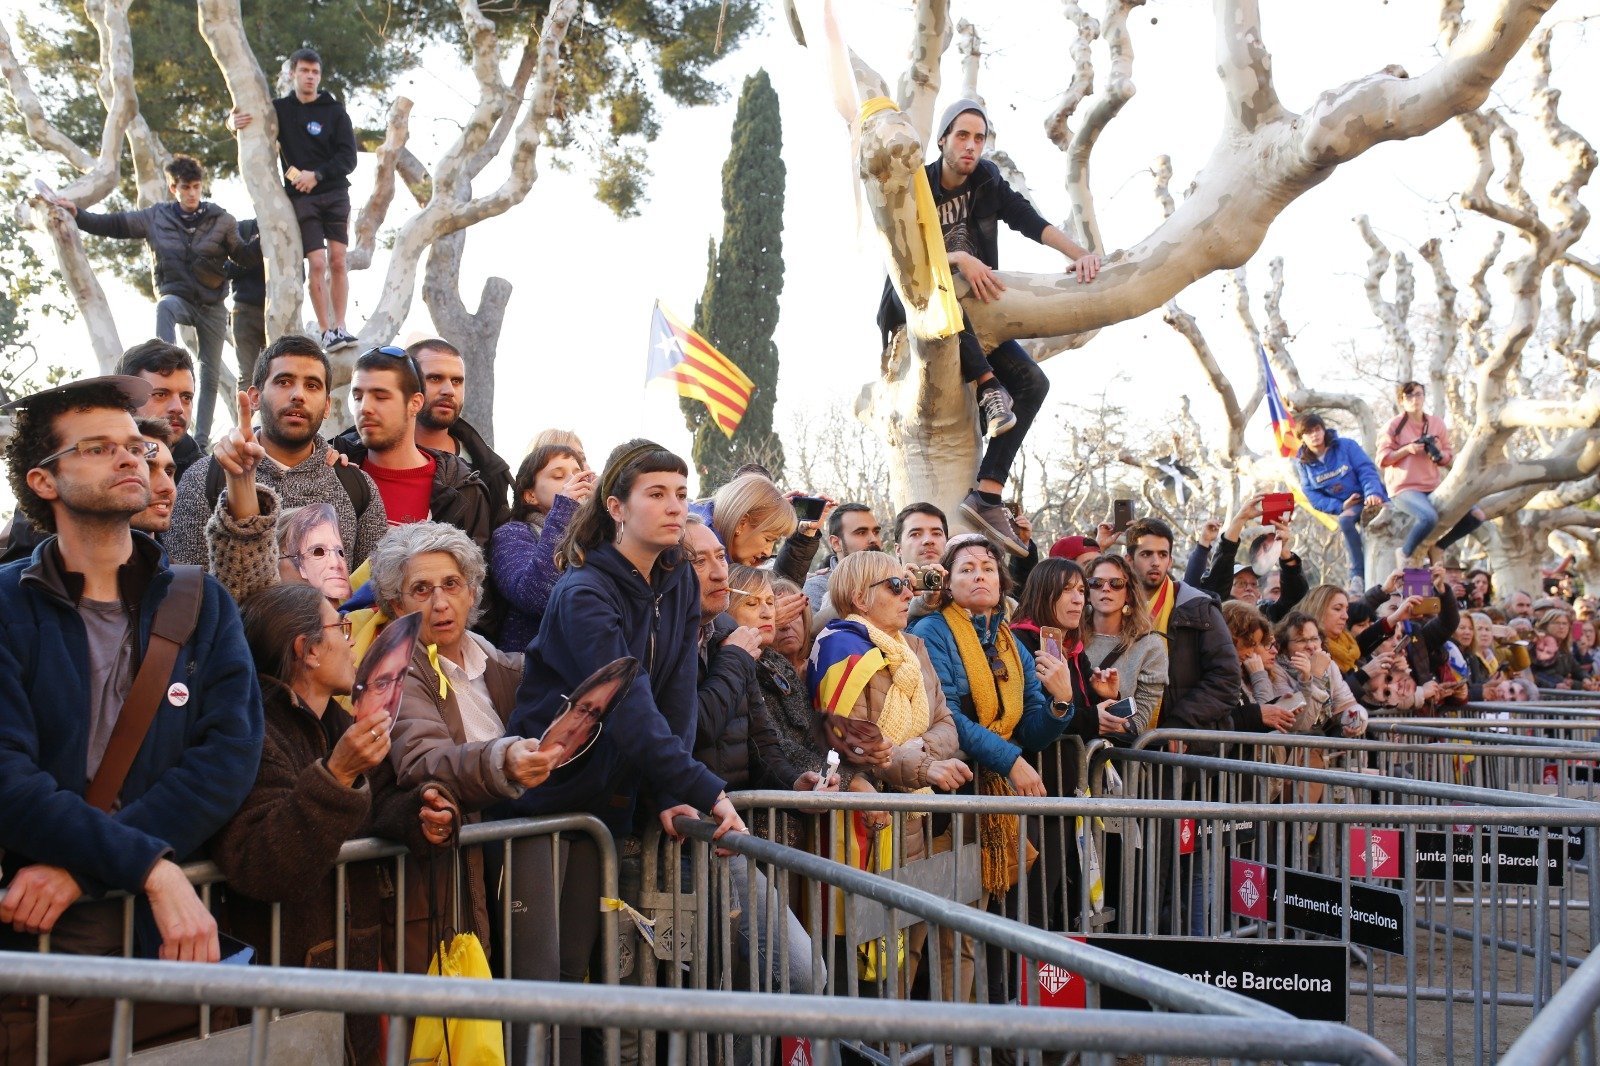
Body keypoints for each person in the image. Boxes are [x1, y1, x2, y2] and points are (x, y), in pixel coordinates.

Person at [0, 377, 263, 1053]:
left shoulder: (202, 602)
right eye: (98, 448)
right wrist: (150, 866)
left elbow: (227, 760)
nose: (131, 459)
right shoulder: (6, 605)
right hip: (34, 945)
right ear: (44, 481)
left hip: (168, 942)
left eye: (136, 446)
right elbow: (8, 778)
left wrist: (90, 867)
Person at [505, 440, 746, 998]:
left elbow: (677, 697)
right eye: (656, 494)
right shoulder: (583, 590)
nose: (673, 508)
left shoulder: (680, 579)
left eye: (682, 495)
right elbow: (628, 704)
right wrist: (707, 790)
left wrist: (671, 791)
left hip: (607, 806)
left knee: (579, 974)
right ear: (615, 507)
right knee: (536, 982)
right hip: (544, 798)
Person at [214, 582, 449, 1063]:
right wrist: (337, 774)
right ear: (307, 651)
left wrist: (422, 812)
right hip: (284, 982)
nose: (352, 640)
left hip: (348, 966)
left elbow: (381, 800)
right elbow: (265, 858)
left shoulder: (337, 722)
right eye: (341, 627)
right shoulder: (253, 729)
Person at [876, 99, 1101, 557]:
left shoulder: (987, 182)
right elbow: (909, 252)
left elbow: (1029, 220)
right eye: (962, 135)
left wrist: (1080, 254)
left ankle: (988, 492)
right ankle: (986, 384)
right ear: (942, 140)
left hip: (974, 319)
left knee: (1034, 381)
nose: (971, 146)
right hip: (918, 312)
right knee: (948, 295)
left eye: (979, 138)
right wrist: (959, 257)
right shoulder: (918, 184)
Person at [808, 550, 969, 994]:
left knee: (899, 952)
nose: (909, 593)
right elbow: (853, 746)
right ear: (860, 597)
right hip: (864, 824)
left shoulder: (912, 646)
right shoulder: (843, 648)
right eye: (895, 585)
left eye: (909, 584)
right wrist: (925, 765)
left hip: (912, 814)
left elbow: (947, 725)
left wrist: (915, 753)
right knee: (858, 958)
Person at [52, 158, 250, 445]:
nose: (192, 193)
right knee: (164, 306)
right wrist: (79, 215)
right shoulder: (157, 216)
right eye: (185, 187)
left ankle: (200, 439)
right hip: (178, 296)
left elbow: (242, 254)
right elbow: (117, 224)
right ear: (173, 187)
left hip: (212, 303)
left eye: (196, 187)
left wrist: (264, 242)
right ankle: (164, 360)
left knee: (210, 369)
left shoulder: (220, 219)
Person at [168, 335, 387, 572]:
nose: (298, 395)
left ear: (326, 406)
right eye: (284, 382)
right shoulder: (203, 479)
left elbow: (371, 594)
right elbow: (187, 592)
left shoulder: (357, 487)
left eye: (312, 385)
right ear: (255, 397)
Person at [229, 48, 359, 351]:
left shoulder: (335, 111)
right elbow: (247, 119)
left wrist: (318, 174)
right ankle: (326, 332)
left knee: (338, 261)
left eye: (315, 72)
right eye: (305, 71)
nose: (310, 77)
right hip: (301, 200)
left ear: (320, 76)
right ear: (293, 74)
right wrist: (229, 121)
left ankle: (340, 326)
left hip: (335, 193)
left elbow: (348, 158)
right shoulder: (280, 109)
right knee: (317, 262)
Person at [334, 346, 496, 549]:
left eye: (381, 396)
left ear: (415, 403)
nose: (365, 408)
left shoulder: (463, 491)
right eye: (358, 397)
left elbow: (474, 577)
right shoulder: (333, 471)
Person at [1124, 517, 1239, 733]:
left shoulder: (1199, 606)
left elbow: (1226, 678)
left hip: (1184, 743)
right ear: (1129, 560)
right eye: (1146, 554)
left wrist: (1182, 723)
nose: (1156, 562)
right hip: (1126, 737)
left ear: (1170, 560)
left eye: (1162, 554)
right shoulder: (1113, 606)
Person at [492, 443, 595, 651]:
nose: (572, 481)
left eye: (578, 474)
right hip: (536, 672)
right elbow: (535, 596)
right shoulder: (511, 534)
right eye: (558, 476)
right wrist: (563, 511)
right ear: (530, 495)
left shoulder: (596, 537)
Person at [1378, 381, 1484, 564]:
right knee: (1429, 517)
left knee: (1477, 516)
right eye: (1409, 396)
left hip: (1432, 486)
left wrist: (1437, 453)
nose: (1414, 399)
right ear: (1401, 400)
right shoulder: (1393, 426)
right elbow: (1382, 460)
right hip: (1404, 488)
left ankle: (1439, 547)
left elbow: (1448, 456)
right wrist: (1407, 449)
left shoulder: (1436, 424)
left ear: (1424, 397)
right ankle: (1404, 553)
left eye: (1418, 394)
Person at [408, 338, 513, 523]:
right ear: (405, 384)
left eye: (456, 381)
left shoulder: (490, 472)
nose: (449, 390)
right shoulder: (357, 455)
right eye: (434, 378)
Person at [1292, 412, 1387, 587]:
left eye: (1317, 429)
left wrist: (1373, 492)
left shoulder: (1346, 446)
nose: (1314, 435)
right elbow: (1313, 496)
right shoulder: (1303, 464)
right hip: (1348, 506)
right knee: (1345, 521)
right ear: (1302, 437)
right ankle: (1357, 575)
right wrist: (1340, 505)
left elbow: (1366, 470)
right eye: (1308, 432)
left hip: (1369, 499)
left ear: (1323, 429)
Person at [1082, 553, 1169, 739]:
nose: (1106, 589)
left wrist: (1107, 714)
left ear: (1128, 593)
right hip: (1068, 750)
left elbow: (1140, 720)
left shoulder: (1149, 645)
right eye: (1096, 583)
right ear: (1087, 593)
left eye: (1116, 583)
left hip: (1117, 756)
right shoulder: (1070, 638)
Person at [1186, 497, 1307, 619]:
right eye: (1241, 583)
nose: (1249, 589)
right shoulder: (1215, 615)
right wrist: (1240, 520)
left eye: (1254, 584)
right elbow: (1219, 578)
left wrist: (1284, 551)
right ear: (1228, 588)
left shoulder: (1267, 616)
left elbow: (1295, 599)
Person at [120, 340, 205, 483]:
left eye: (186, 397)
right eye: (161, 394)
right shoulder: (97, 467)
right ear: (126, 402)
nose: (178, 408)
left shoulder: (210, 478)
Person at [802, 502, 882, 609]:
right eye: (861, 532)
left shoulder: (894, 581)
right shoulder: (818, 588)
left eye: (876, 532)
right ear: (836, 543)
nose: (874, 539)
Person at [226, 218, 266, 387]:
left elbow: (298, 274)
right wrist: (255, 250)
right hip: (244, 310)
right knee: (247, 375)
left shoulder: (287, 227)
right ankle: (245, 414)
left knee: (278, 374)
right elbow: (227, 269)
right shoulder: (243, 229)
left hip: (279, 313)